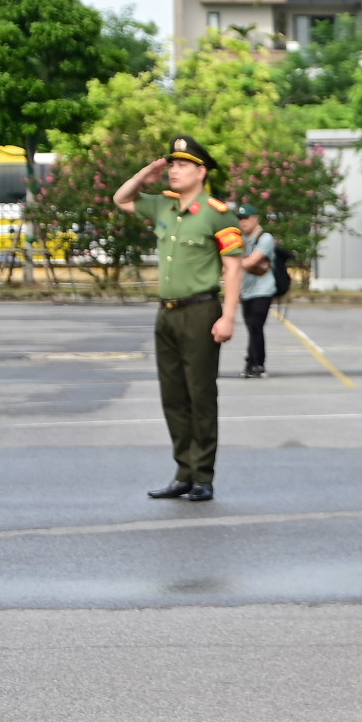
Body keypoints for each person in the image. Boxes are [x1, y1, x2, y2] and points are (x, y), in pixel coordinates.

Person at [115, 134, 245, 502]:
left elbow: (234, 269)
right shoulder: (163, 207)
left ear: (202, 172)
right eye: (171, 163)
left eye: (182, 164)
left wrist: (229, 317)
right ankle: (183, 472)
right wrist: (146, 174)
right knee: (172, 396)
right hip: (166, 314)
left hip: (201, 311)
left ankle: (203, 475)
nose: (174, 170)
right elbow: (121, 198)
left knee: (200, 394)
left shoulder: (217, 213)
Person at [235, 203, 277, 379]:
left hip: (263, 290)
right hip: (247, 290)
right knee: (251, 328)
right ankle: (252, 361)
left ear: (255, 219)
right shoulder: (240, 240)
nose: (243, 222)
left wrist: (231, 265)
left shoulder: (265, 238)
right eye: (241, 219)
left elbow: (252, 262)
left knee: (256, 325)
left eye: (246, 218)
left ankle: (256, 363)